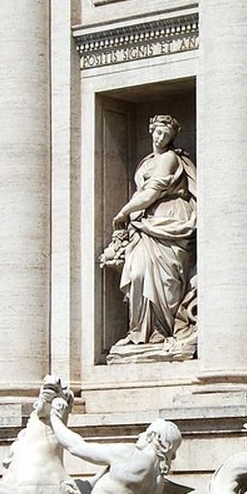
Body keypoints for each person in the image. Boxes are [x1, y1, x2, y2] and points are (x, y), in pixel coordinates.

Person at [49, 395, 182, 494]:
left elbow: (76, 446)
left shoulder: (129, 456)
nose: (140, 434)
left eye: (145, 432)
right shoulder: (158, 482)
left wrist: (54, 417)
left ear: (151, 437)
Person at [106, 114, 197, 351]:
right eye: (158, 133)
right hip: (146, 222)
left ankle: (162, 330)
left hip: (169, 217)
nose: (160, 138)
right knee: (137, 274)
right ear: (150, 131)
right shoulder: (146, 162)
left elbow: (151, 192)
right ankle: (139, 331)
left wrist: (123, 213)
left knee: (167, 281)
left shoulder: (169, 159)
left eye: (166, 135)